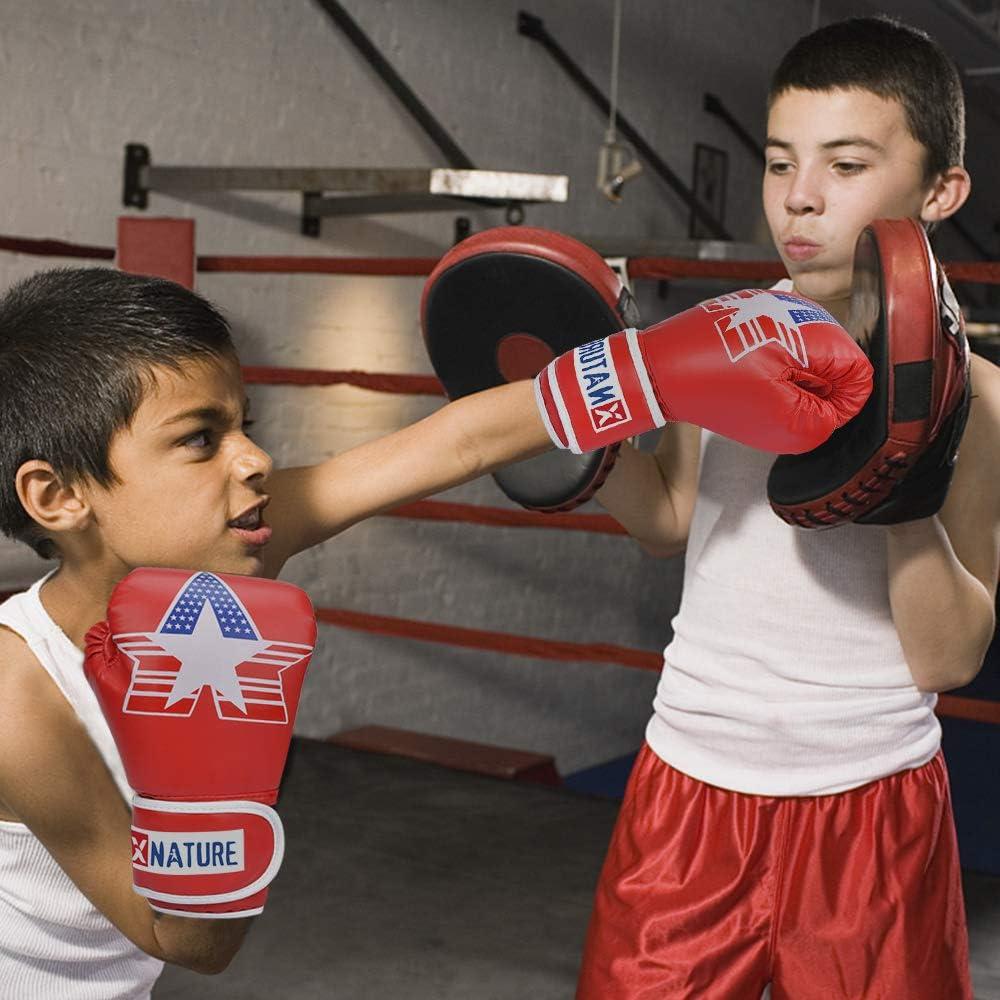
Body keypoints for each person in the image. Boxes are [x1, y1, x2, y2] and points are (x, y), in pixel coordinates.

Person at [0, 255, 866, 993]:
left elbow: (455, 444)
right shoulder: (19, 701)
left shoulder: (243, 542)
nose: (255, 458)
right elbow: (190, 941)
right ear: (58, 496)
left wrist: (651, 368)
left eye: (244, 426)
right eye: (199, 439)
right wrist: (213, 761)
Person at [574, 16, 1000, 1000]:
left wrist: (898, 465)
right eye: (776, 163)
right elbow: (667, 518)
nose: (797, 198)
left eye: (844, 164)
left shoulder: (978, 399)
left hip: (871, 807)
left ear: (939, 192)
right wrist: (582, 433)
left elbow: (947, 656)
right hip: (687, 785)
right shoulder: (714, 340)